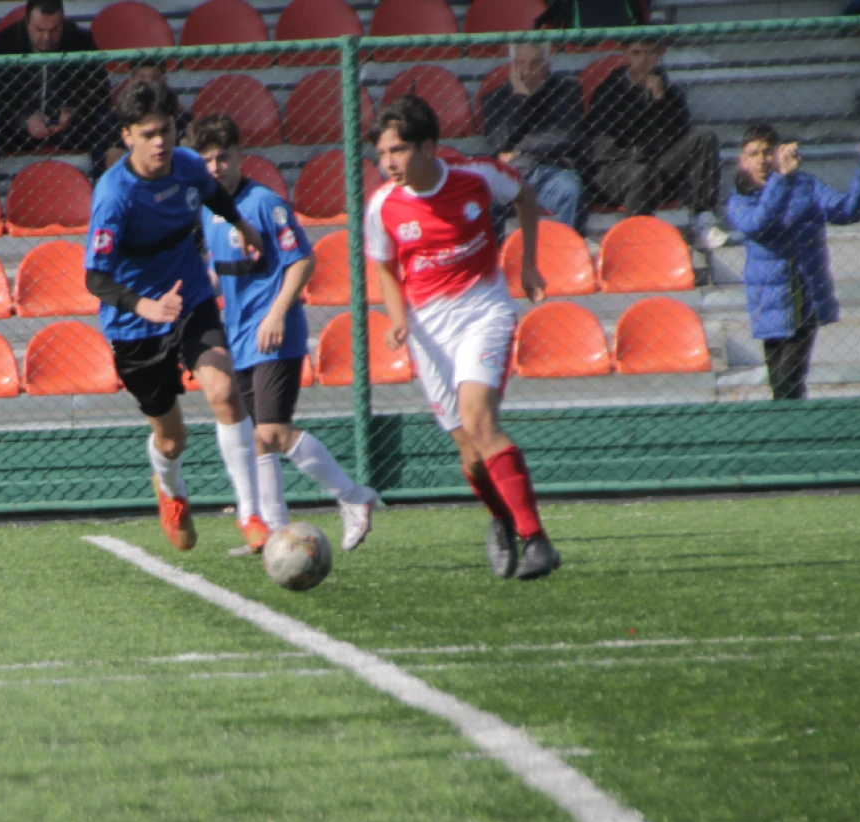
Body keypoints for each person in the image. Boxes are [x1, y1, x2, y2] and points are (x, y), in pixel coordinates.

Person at [364, 95, 561, 580]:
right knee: (470, 455)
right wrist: (396, 318)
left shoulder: (477, 176)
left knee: (479, 420)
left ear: (430, 147)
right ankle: (500, 517)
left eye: (399, 150)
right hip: (429, 332)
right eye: (383, 154)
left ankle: (537, 540)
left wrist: (530, 261)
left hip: (483, 310)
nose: (389, 163)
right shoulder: (382, 207)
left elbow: (526, 196)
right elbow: (386, 266)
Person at [84, 79, 269, 553]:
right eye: (148, 134)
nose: (160, 142)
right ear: (127, 136)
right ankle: (170, 488)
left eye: (165, 130)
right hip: (135, 324)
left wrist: (242, 225)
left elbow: (213, 194)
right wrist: (146, 306)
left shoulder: (186, 166)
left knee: (225, 392)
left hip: (189, 298)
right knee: (172, 442)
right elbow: (96, 279)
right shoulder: (113, 195)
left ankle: (250, 514)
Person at [191, 113, 379, 554]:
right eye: (207, 160)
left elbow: (302, 261)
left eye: (224, 157)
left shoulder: (265, 203)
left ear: (240, 157)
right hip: (238, 336)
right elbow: (225, 272)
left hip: (275, 334)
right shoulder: (208, 210)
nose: (216, 167)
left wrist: (276, 314)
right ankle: (273, 530)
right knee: (257, 433)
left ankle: (353, 496)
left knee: (272, 431)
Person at [725, 126, 860, 401]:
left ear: (779, 153)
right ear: (742, 160)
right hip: (769, 301)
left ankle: (791, 434)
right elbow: (759, 224)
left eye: (767, 152)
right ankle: (788, 436)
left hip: (804, 294)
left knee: (789, 381)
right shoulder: (740, 200)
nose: (762, 160)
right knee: (780, 383)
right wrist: (782, 180)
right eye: (753, 154)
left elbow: (848, 211)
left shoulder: (806, 186)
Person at [586, 39, 728, 250]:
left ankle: (703, 220)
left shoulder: (670, 93)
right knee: (640, 174)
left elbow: (676, 137)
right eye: (637, 53)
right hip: (615, 170)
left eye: (650, 53)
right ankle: (638, 244)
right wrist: (647, 166)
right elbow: (607, 143)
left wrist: (659, 100)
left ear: (660, 54)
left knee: (704, 137)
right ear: (626, 55)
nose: (643, 60)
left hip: (657, 168)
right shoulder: (609, 91)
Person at [0, 0, 118, 181]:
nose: (47, 38)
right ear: (27, 21)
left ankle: (107, 191)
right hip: (18, 131)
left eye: (54, 30)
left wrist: (74, 112)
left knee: (106, 119)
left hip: (69, 128)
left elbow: (100, 90)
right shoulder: (5, 41)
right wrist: (24, 119)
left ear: (62, 22)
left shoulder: (80, 39)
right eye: (39, 30)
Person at [481, 43, 590, 235]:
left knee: (571, 192)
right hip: (512, 172)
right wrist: (520, 99)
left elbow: (567, 135)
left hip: (552, 169)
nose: (527, 71)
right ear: (513, 65)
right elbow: (498, 141)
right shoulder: (495, 98)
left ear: (547, 65)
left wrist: (522, 149)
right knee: (486, 198)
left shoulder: (566, 90)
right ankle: (493, 259)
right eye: (521, 63)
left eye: (535, 63)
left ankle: (568, 256)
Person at [99, 57, 195, 174]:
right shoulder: (115, 119)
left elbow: (188, 150)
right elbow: (113, 157)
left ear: (164, 80)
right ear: (132, 81)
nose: (149, 84)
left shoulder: (180, 117)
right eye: (142, 78)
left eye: (155, 78)